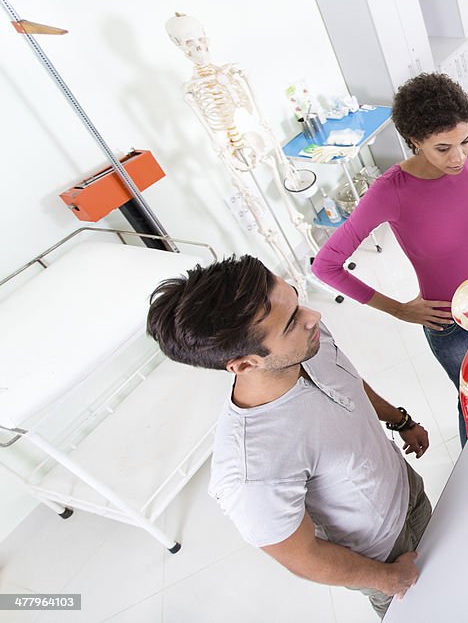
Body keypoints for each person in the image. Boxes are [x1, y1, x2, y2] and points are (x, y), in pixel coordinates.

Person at [146, 255, 431, 619]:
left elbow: (348, 382)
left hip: (407, 489)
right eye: (291, 321)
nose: (314, 316)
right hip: (380, 552)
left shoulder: (304, 338)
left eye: (295, 299)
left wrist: (398, 419)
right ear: (246, 363)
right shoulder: (251, 469)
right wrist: (389, 579)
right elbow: (303, 557)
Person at [312, 73, 468, 447]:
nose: (459, 156)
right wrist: (400, 310)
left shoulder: (464, 157)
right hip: (449, 321)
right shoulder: (390, 193)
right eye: (443, 148)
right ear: (415, 142)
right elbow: (325, 265)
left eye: (465, 141)